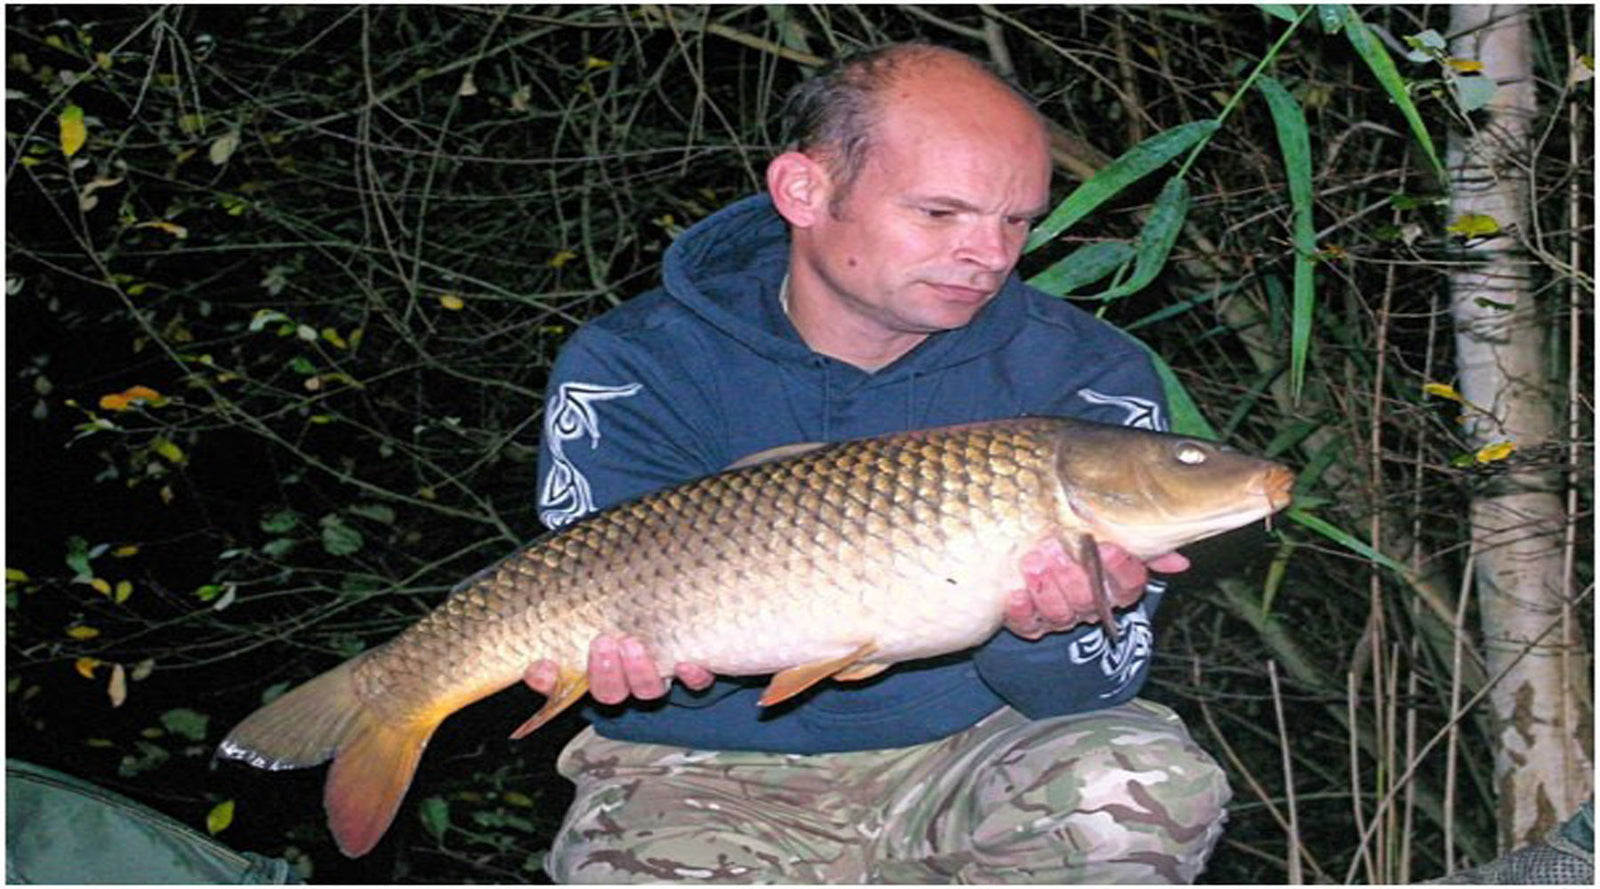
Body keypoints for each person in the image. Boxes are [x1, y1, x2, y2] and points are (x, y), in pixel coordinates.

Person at [527, 42, 1229, 883]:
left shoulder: (1082, 377)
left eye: (1017, 220)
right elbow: (610, 625)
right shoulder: (634, 363)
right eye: (941, 214)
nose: (991, 255)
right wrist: (644, 670)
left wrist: (1063, 629)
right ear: (805, 190)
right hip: (699, 768)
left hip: (972, 750)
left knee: (1140, 780)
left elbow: (1088, 692)